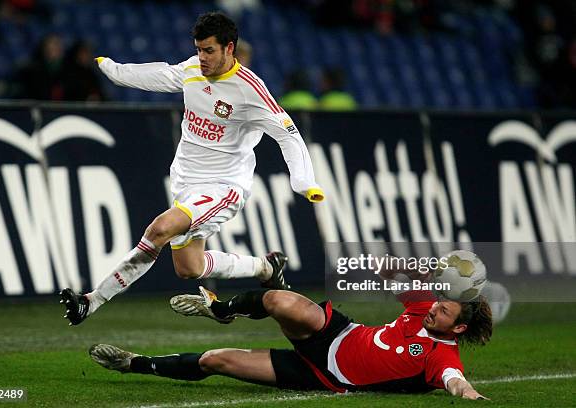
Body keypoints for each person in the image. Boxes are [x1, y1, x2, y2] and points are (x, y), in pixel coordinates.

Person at [59, 12, 325, 325]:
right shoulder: (192, 70)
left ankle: (90, 301)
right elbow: (158, 75)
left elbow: (287, 134)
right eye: (198, 49)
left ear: (229, 49)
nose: (201, 57)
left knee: (159, 230)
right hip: (185, 182)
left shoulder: (250, 90)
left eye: (209, 50)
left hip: (223, 186)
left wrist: (304, 182)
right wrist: (115, 71)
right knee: (189, 267)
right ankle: (265, 268)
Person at [89, 266, 492, 400]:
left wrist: (468, 393)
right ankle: (220, 309)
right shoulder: (425, 306)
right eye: (438, 301)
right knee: (279, 300)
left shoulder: (441, 356)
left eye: (443, 311)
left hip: (325, 376)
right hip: (338, 332)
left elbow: (454, 381)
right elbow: (392, 273)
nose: (432, 309)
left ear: (457, 327)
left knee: (216, 360)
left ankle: (131, 363)